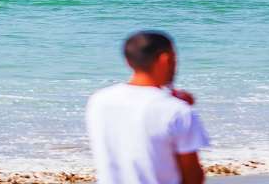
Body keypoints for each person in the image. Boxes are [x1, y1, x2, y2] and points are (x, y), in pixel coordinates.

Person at [86, 31, 209, 184]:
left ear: (128, 61)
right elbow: (192, 176)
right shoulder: (177, 110)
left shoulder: (99, 100)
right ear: (165, 59)